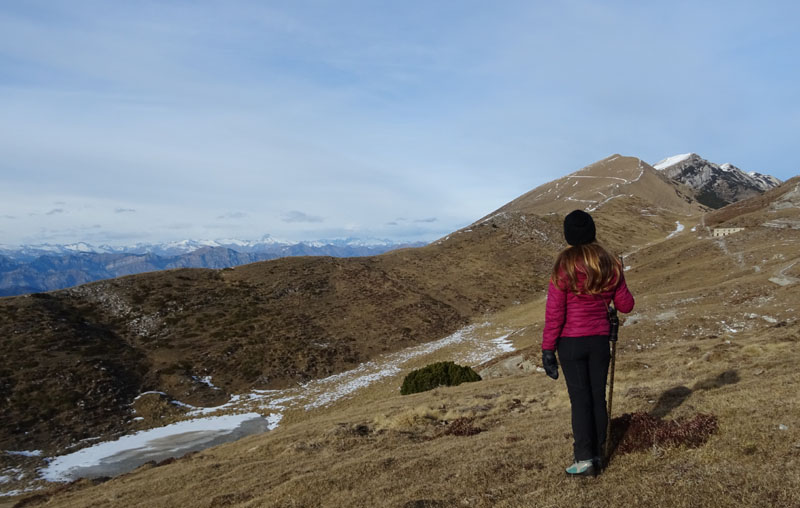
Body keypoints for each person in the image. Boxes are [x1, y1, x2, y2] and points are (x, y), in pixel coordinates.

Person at [541, 209, 635, 477]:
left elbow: (555, 313)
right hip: (599, 341)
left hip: (570, 343)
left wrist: (548, 349)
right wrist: (621, 276)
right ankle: (598, 453)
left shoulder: (564, 265)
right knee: (597, 397)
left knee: (579, 400)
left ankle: (584, 460)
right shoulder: (609, 263)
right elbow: (626, 305)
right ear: (592, 231)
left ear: (568, 235)